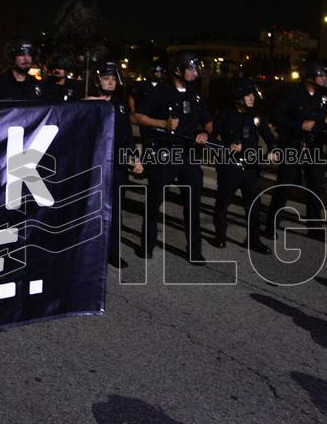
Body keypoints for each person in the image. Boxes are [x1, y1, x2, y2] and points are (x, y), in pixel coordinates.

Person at [133, 52, 212, 264]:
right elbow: (137, 116)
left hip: (188, 155)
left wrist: (205, 133)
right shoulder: (161, 92)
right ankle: (147, 245)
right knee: (154, 201)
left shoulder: (195, 96)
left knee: (193, 204)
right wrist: (163, 125)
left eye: (196, 68)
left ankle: (194, 250)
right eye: (191, 68)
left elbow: (208, 122)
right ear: (178, 70)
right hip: (164, 153)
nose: (195, 72)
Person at [264, 60, 327, 243]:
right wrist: (299, 125)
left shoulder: (324, 96)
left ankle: (314, 228)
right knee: (284, 185)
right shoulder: (292, 94)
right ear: (310, 77)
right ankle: (271, 225)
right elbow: (277, 115)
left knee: (315, 187)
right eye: (320, 75)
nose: (323, 79)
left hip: (313, 147)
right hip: (292, 144)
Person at [85, 61, 142, 268]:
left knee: (115, 211)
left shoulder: (120, 105)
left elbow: (127, 136)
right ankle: (89, 252)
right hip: (94, 165)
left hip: (116, 164)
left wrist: (135, 159)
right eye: (105, 78)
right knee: (92, 210)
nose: (110, 82)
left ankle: (113, 252)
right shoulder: (89, 104)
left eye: (113, 79)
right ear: (97, 81)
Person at [212, 79, 275, 254]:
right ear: (237, 96)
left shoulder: (257, 116)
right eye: (247, 94)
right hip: (230, 168)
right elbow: (210, 137)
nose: (251, 97)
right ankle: (220, 236)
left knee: (254, 207)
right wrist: (226, 148)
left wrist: (274, 150)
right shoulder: (224, 115)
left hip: (251, 169)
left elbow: (270, 138)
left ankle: (254, 240)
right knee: (222, 204)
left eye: (253, 94)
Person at [0, 37, 41, 101]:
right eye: (21, 54)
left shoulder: (37, 84)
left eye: (30, 55)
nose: (26, 59)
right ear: (12, 57)